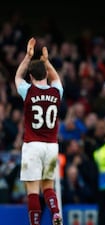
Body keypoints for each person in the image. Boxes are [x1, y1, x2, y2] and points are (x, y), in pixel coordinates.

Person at [15, 37, 64, 225]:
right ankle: (56, 213)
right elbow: (56, 77)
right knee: (48, 186)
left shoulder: (27, 91)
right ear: (45, 74)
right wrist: (46, 61)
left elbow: (17, 76)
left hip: (32, 145)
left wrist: (28, 57)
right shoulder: (56, 91)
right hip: (51, 146)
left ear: (31, 77)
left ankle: (35, 223)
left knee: (33, 190)